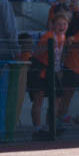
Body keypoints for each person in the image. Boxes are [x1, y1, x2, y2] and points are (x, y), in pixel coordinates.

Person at [29, 11, 70, 139]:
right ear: (53, 25)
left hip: (54, 70)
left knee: (57, 97)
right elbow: (37, 52)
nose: (62, 26)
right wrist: (48, 46)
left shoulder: (63, 37)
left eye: (64, 24)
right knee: (39, 98)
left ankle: (49, 125)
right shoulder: (48, 36)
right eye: (59, 24)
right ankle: (37, 128)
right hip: (41, 70)